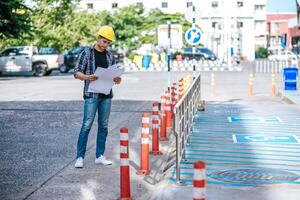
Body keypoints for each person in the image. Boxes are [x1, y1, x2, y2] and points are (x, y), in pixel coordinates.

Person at [73, 25, 122, 168]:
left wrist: (117, 79)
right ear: (99, 38)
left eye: (109, 42)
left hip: (106, 95)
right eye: (105, 41)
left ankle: (99, 156)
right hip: (91, 95)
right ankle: (80, 157)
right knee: (86, 125)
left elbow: (113, 75)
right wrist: (87, 77)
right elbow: (76, 72)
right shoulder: (87, 53)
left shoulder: (109, 55)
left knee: (104, 126)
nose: (107, 44)